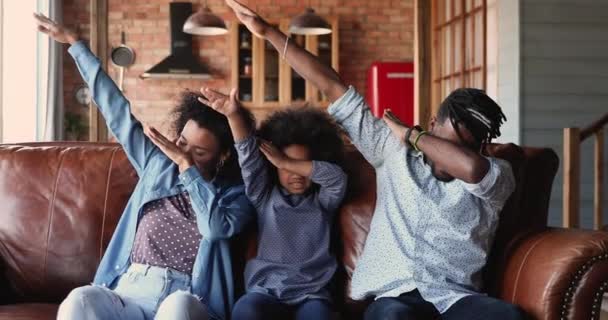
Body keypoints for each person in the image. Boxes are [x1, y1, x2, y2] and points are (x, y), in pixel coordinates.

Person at [225, 0, 526, 319]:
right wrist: (269, 33)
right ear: (433, 124)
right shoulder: (390, 150)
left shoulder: (496, 174)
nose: (449, 158)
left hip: (456, 298)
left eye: (465, 148)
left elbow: (472, 168)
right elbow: (332, 85)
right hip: (394, 298)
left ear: (481, 147)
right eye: (445, 143)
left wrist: (413, 135)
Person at [35, 13, 254, 320]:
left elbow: (215, 229)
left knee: (176, 309)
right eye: (182, 142)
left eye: (200, 152)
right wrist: (76, 45)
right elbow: (117, 112)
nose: (185, 152)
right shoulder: (156, 164)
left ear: (222, 156)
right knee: (80, 300)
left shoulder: (234, 196)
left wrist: (186, 167)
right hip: (129, 290)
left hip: (186, 298)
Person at [197, 86, 347, 320]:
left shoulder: (324, 202)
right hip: (266, 292)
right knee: (244, 311)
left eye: (302, 165)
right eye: (285, 167)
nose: (295, 173)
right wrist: (234, 116)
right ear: (273, 167)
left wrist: (286, 161)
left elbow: (336, 177)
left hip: (312, 294)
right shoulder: (264, 196)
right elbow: (247, 158)